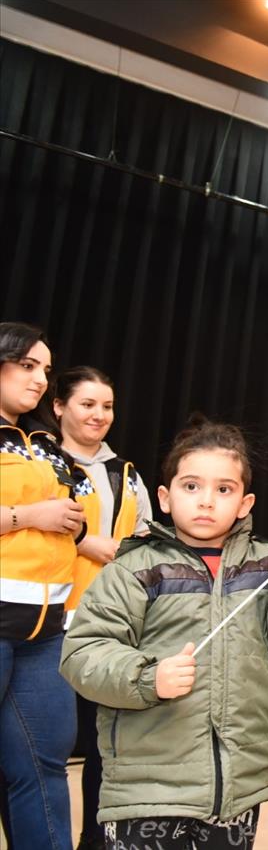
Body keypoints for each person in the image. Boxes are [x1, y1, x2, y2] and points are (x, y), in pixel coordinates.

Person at [59, 416, 268, 849]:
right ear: (164, 497)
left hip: (236, 790)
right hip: (147, 790)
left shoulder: (267, 563)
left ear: (245, 503)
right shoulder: (135, 568)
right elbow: (82, 653)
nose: (206, 501)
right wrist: (149, 678)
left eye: (224, 489)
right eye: (191, 486)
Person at [54, 366, 153, 850]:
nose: (98, 415)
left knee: (102, 749)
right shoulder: (38, 462)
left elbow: (146, 546)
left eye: (107, 406)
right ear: (58, 407)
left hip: (111, 631)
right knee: (40, 752)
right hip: (46, 626)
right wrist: (84, 541)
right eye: (87, 404)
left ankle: (94, 840)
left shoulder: (129, 476)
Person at [0, 322, 85, 850]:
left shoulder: (46, 443)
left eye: (46, 370)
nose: (39, 380)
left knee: (43, 766)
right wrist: (31, 513)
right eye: (28, 365)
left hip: (48, 628)